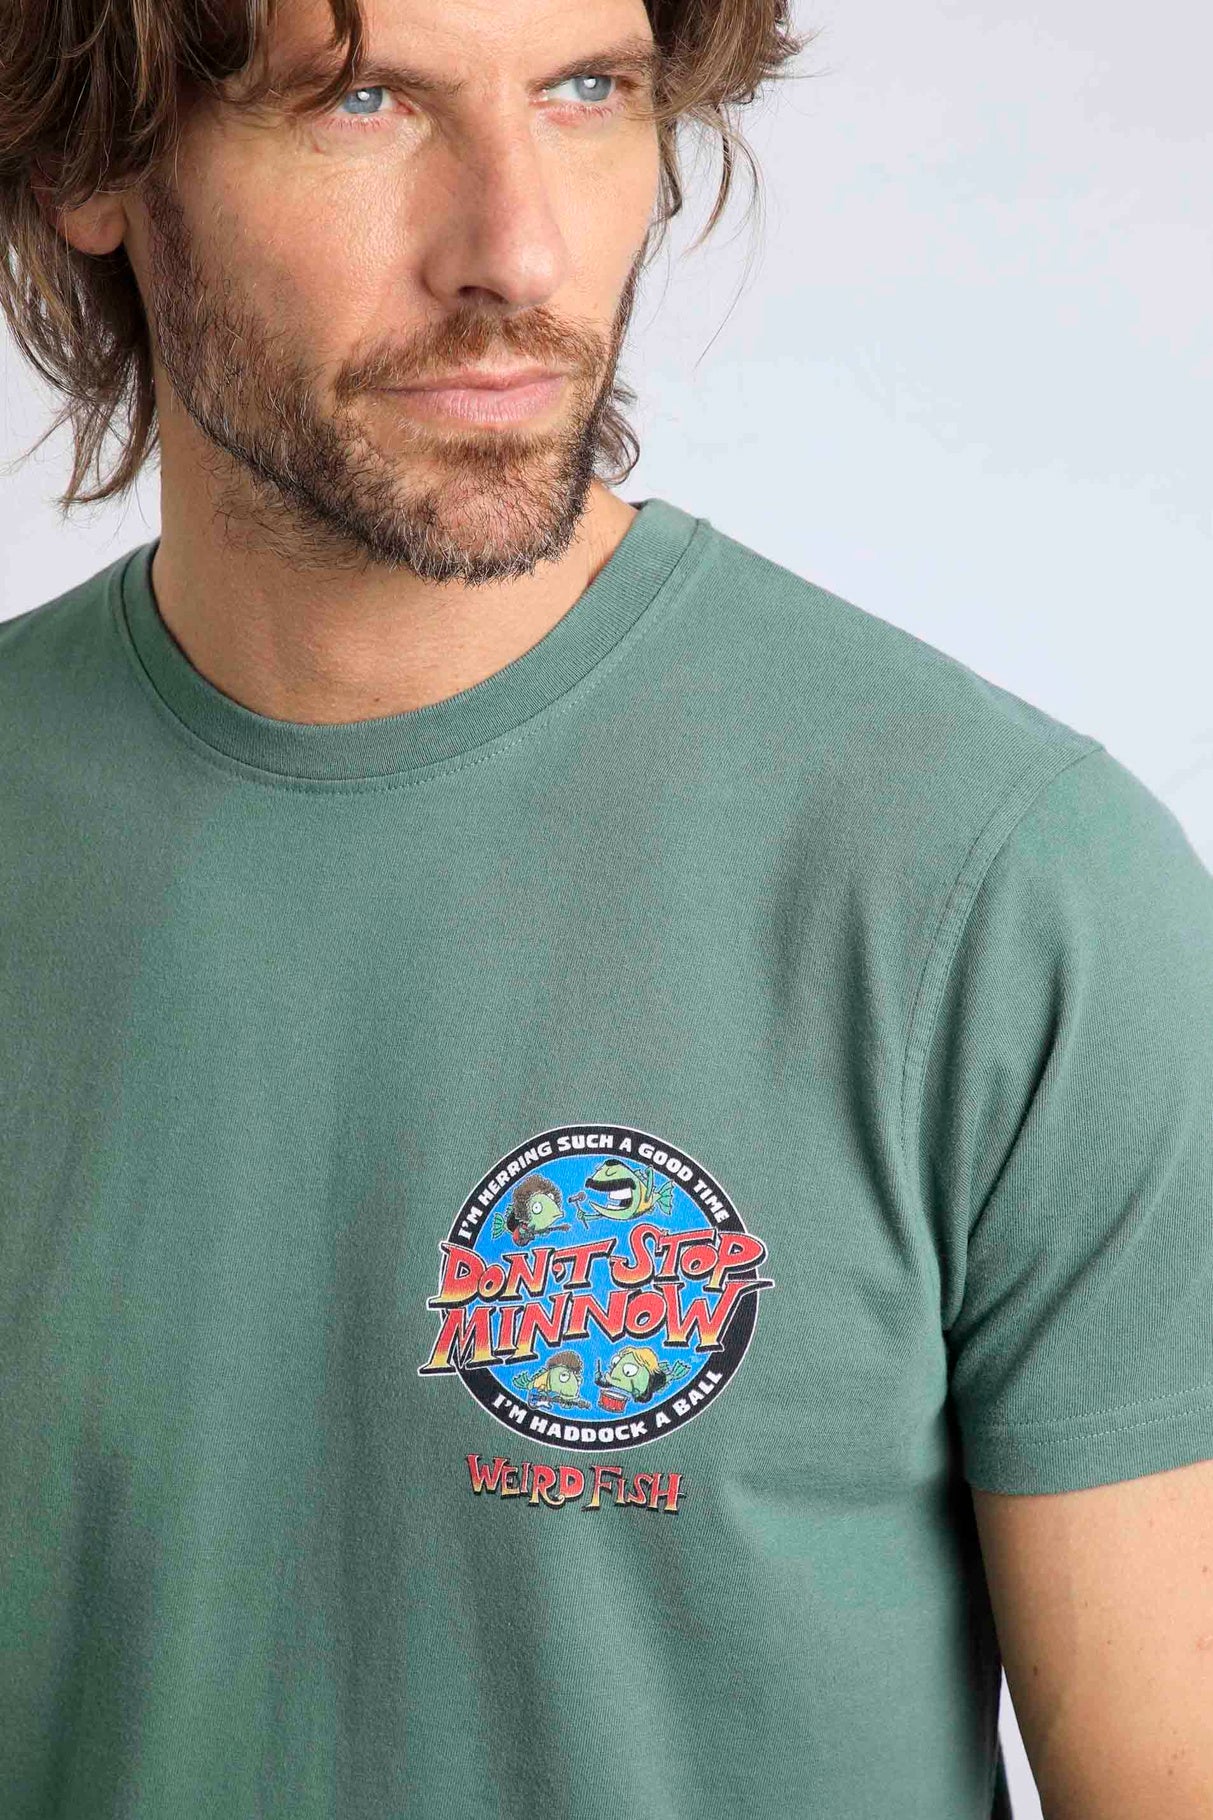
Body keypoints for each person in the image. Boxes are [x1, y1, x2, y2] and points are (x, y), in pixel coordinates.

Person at [1, 2, 1211, 1816]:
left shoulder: (1010, 897)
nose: (517, 251)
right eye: (364, 100)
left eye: (588, 91)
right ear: (90, 162)